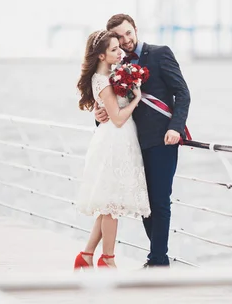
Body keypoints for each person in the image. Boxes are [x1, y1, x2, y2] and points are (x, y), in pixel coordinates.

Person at [95, 14, 191, 267]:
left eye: (129, 33)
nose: (126, 40)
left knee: (159, 201)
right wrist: (99, 114)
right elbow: (113, 107)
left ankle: (158, 261)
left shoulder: (160, 53)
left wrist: (176, 129)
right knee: (144, 203)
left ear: (135, 29)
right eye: (120, 36)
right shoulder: (116, 65)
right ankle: (158, 259)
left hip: (162, 140)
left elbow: (182, 93)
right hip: (130, 144)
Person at [74, 29, 151, 270]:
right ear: (101, 56)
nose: (120, 52)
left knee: (109, 202)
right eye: (114, 49)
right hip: (114, 141)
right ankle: (108, 258)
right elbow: (117, 118)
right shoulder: (104, 81)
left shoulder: (110, 74)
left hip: (119, 140)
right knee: (111, 205)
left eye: (120, 47)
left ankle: (86, 255)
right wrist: (136, 99)